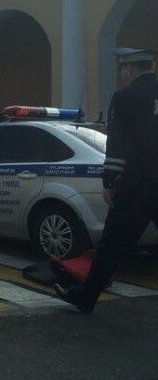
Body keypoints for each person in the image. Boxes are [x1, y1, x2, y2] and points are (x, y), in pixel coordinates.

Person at [55, 47, 158, 313]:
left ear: (129, 69)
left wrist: (109, 181)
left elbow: (118, 145)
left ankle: (86, 297)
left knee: (113, 243)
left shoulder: (125, 97)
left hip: (138, 185)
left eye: (122, 71)